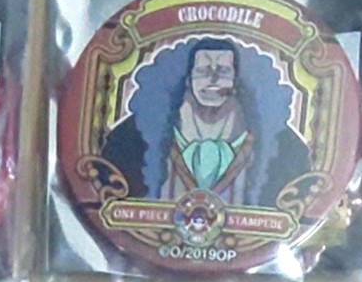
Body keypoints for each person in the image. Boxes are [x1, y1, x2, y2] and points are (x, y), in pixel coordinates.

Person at [99, 37, 312, 208]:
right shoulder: (135, 137)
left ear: (236, 81)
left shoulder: (282, 144)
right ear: (188, 79)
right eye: (203, 71)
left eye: (224, 71)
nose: (213, 79)